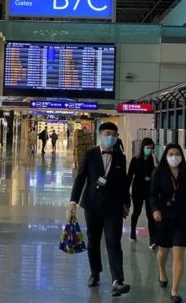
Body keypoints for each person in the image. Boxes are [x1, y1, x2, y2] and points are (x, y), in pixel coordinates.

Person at [69, 122, 131, 297]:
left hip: (113, 207)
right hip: (92, 205)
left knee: (113, 242)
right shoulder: (90, 154)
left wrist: (126, 203)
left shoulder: (120, 157)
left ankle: (117, 280)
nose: (110, 137)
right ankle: (95, 272)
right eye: (107, 133)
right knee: (93, 241)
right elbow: (80, 178)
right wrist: (73, 201)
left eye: (114, 134)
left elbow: (123, 183)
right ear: (100, 134)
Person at [150, 144, 186, 303]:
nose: (174, 156)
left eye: (177, 154)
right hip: (164, 218)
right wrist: (155, 210)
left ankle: (175, 290)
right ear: (166, 156)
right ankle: (161, 270)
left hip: (183, 218)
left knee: (179, 253)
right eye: (171, 154)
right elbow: (152, 194)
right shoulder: (159, 173)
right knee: (163, 251)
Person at [126, 137, 158, 248]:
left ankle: (152, 239)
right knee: (137, 211)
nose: (149, 150)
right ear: (142, 147)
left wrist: (154, 158)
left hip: (150, 191)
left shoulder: (152, 160)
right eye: (148, 148)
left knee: (150, 214)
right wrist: (126, 191)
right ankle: (133, 232)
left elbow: (158, 171)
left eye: (151, 148)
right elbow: (129, 176)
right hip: (137, 189)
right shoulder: (135, 160)